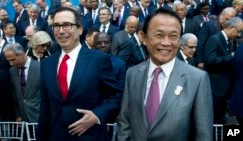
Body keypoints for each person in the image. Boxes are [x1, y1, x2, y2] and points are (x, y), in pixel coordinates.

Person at [117, 8, 213, 141]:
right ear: (144, 37)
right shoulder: (133, 74)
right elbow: (125, 121)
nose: (166, 43)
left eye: (173, 36)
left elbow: (203, 135)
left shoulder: (197, 79)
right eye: (159, 35)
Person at [37, 7, 122, 141]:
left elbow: (116, 96)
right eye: (56, 26)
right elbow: (45, 108)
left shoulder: (99, 60)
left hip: (90, 136)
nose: (61, 31)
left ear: (80, 29)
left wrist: (97, 115)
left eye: (67, 25)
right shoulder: (46, 64)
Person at [204, 17, 243, 124]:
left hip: (225, 87)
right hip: (216, 87)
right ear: (231, 28)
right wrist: (231, 57)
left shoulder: (229, 41)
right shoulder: (215, 39)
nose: (239, 34)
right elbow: (210, 60)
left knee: (221, 118)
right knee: (215, 118)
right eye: (238, 31)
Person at [4, 43, 41, 123]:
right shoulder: (12, 71)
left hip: (39, 117)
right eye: (9, 61)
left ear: (22, 54)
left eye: (13, 60)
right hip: (23, 120)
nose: (11, 64)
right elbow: (15, 95)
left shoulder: (40, 67)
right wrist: (18, 114)